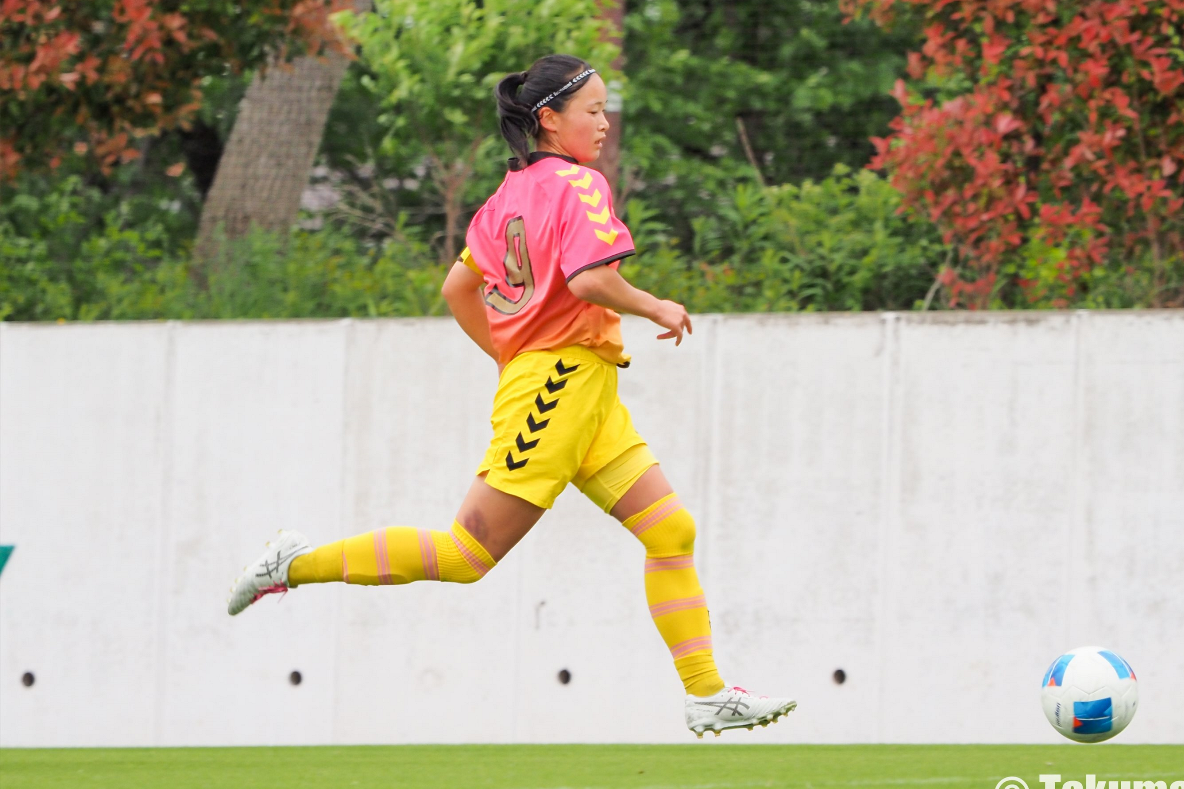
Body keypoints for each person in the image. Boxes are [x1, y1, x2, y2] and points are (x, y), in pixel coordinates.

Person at [228, 54, 796, 737]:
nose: (604, 123)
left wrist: (512, 354)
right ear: (549, 119)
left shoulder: (505, 198)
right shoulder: (579, 184)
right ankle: (292, 565)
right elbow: (589, 280)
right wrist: (656, 305)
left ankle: (706, 693)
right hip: (560, 386)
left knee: (670, 530)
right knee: (466, 555)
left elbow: (457, 289)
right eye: (593, 110)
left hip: (579, 389)